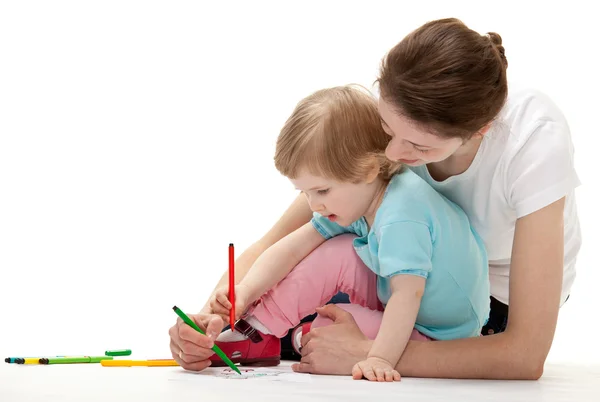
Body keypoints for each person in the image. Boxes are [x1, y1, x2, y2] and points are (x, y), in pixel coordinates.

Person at [168, 17, 581, 380]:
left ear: (481, 130)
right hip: (390, 275)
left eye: (418, 147)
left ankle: (296, 338)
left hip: (481, 308)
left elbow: (525, 356)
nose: (390, 156)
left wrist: (372, 355)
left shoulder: (533, 141)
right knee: (307, 279)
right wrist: (212, 319)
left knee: (316, 332)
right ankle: (271, 337)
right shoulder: (397, 120)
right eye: (386, 128)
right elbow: (283, 242)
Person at [200, 86, 489, 382]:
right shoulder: (363, 195)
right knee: (335, 250)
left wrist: (377, 357)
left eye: (322, 190)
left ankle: (299, 336)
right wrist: (244, 294)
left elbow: (408, 294)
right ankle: (257, 331)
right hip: (402, 294)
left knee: (326, 328)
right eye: (305, 192)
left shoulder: (401, 217)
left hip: (438, 334)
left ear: (369, 170)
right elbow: (290, 249)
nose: (313, 204)